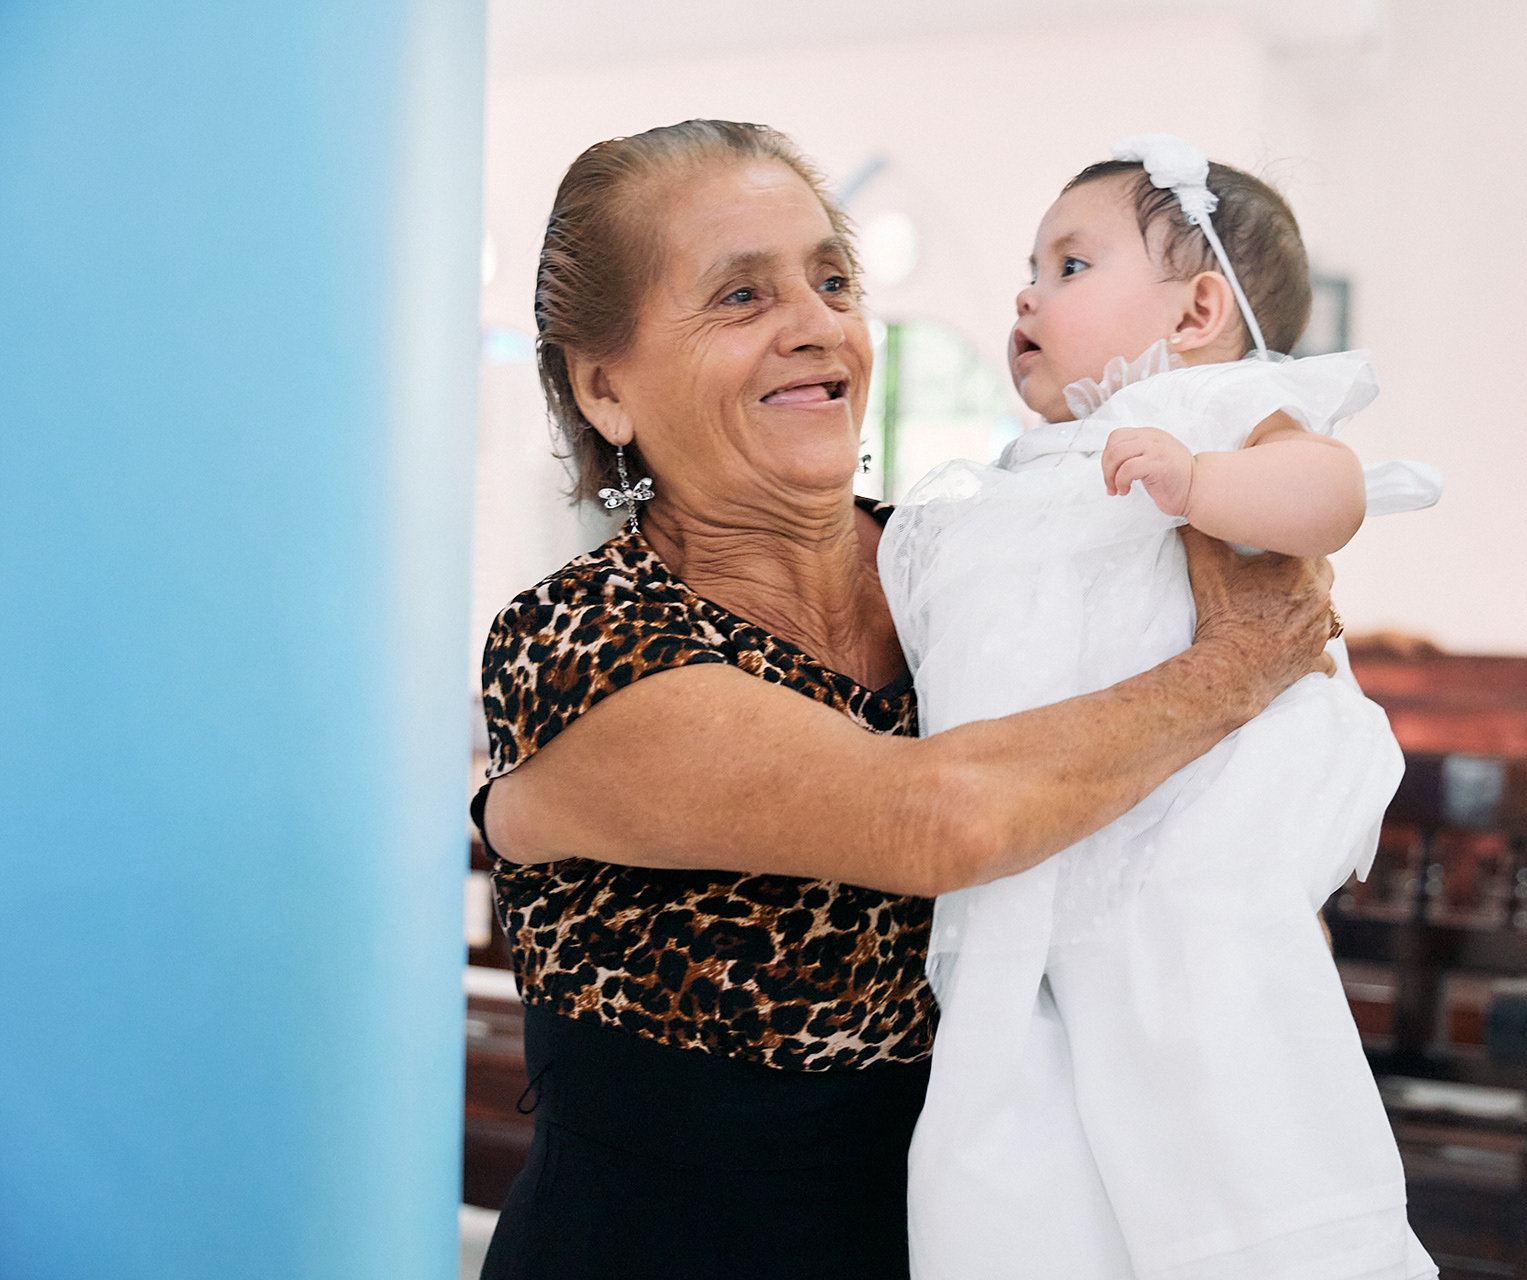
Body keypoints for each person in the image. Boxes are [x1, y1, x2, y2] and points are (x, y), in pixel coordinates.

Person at [468, 119, 1341, 1280]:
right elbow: (940, 819)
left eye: (833, 281)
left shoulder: (964, 571)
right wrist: (1235, 663)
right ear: (605, 386)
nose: (818, 324)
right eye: (741, 295)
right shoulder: (576, 636)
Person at [883, 135, 1440, 1280]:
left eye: (1070, 265)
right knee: (1018, 1116)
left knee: (1215, 1081)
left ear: (1196, 312)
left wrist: (1204, 482)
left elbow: (1330, 493)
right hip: (1040, 855)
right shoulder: (1023, 472)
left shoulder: (1219, 409)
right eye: (1029, 270)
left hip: (1189, 841)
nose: (1028, 294)